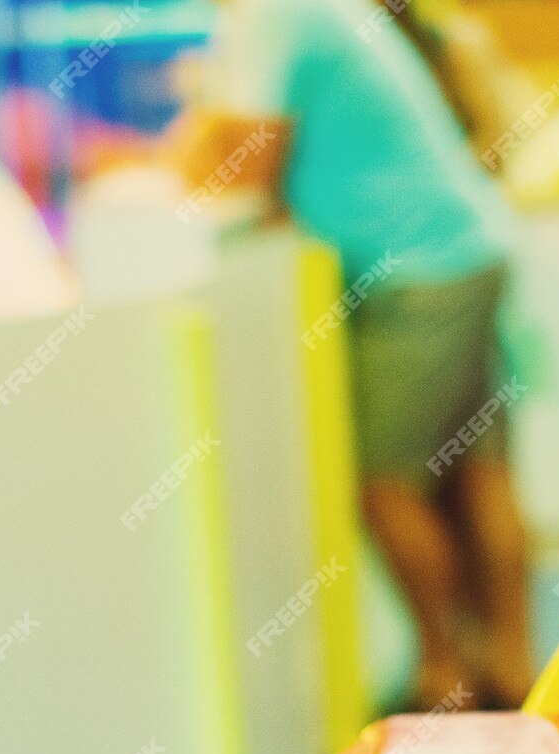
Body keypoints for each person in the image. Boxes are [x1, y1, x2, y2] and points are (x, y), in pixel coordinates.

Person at [179, 0, 537, 709]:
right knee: (476, 469)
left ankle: (444, 673)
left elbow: (247, 163)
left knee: (383, 480)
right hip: (463, 247)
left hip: (416, 272)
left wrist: (199, 124)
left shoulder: (281, 16)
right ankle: (512, 670)